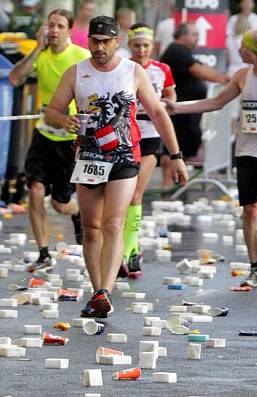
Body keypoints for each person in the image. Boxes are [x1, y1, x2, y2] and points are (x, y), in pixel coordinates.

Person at [45, 16, 188, 318]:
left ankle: (105, 290)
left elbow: (159, 114)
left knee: (113, 223)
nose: (99, 47)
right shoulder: (76, 73)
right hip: (88, 157)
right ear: (89, 42)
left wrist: (176, 156)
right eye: (94, 41)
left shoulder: (132, 71)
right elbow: (53, 112)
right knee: (91, 227)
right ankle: (97, 290)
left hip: (124, 156)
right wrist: (64, 120)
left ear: (116, 42)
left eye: (105, 42)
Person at [166, 29, 257, 287]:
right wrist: (177, 108)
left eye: (243, 47)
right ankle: (255, 266)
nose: (239, 51)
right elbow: (216, 102)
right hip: (245, 151)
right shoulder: (242, 76)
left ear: (256, 49)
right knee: (249, 211)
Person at [8, 9, 88, 272]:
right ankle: (43, 252)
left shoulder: (80, 56)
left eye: (59, 26)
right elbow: (15, 78)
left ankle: (76, 213)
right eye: (50, 25)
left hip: (70, 137)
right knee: (35, 190)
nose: (53, 30)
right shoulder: (39, 54)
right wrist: (36, 49)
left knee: (59, 203)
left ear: (68, 30)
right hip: (43, 134)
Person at [120, 23, 176, 279]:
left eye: (145, 45)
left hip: (151, 136)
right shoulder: (123, 67)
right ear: (130, 45)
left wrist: (164, 104)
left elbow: (172, 99)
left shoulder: (162, 69)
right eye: (136, 45)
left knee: (135, 194)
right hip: (125, 136)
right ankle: (120, 247)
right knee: (121, 197)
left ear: (152, 46)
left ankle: (132, 250)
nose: (141, 50)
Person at [160, 22, 229, 160]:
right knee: (174, 148)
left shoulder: (183, 51)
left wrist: (224, 77)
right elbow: (198, 70)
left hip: (186, 109)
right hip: (179, 108)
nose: (198, 37)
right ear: (182, 35)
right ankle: (168, 181)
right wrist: (226, 80)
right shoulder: (176, 50)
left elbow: (201, 67)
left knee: (186, 144)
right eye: (194, 34)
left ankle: (177, 179)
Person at [226, 0, 257, 75]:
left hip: (252, 64)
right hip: (236, 64)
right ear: (241, 4)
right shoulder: (233, 19)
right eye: (245, 2)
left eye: (250, 2)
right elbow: (228, 41)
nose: (247, 5)